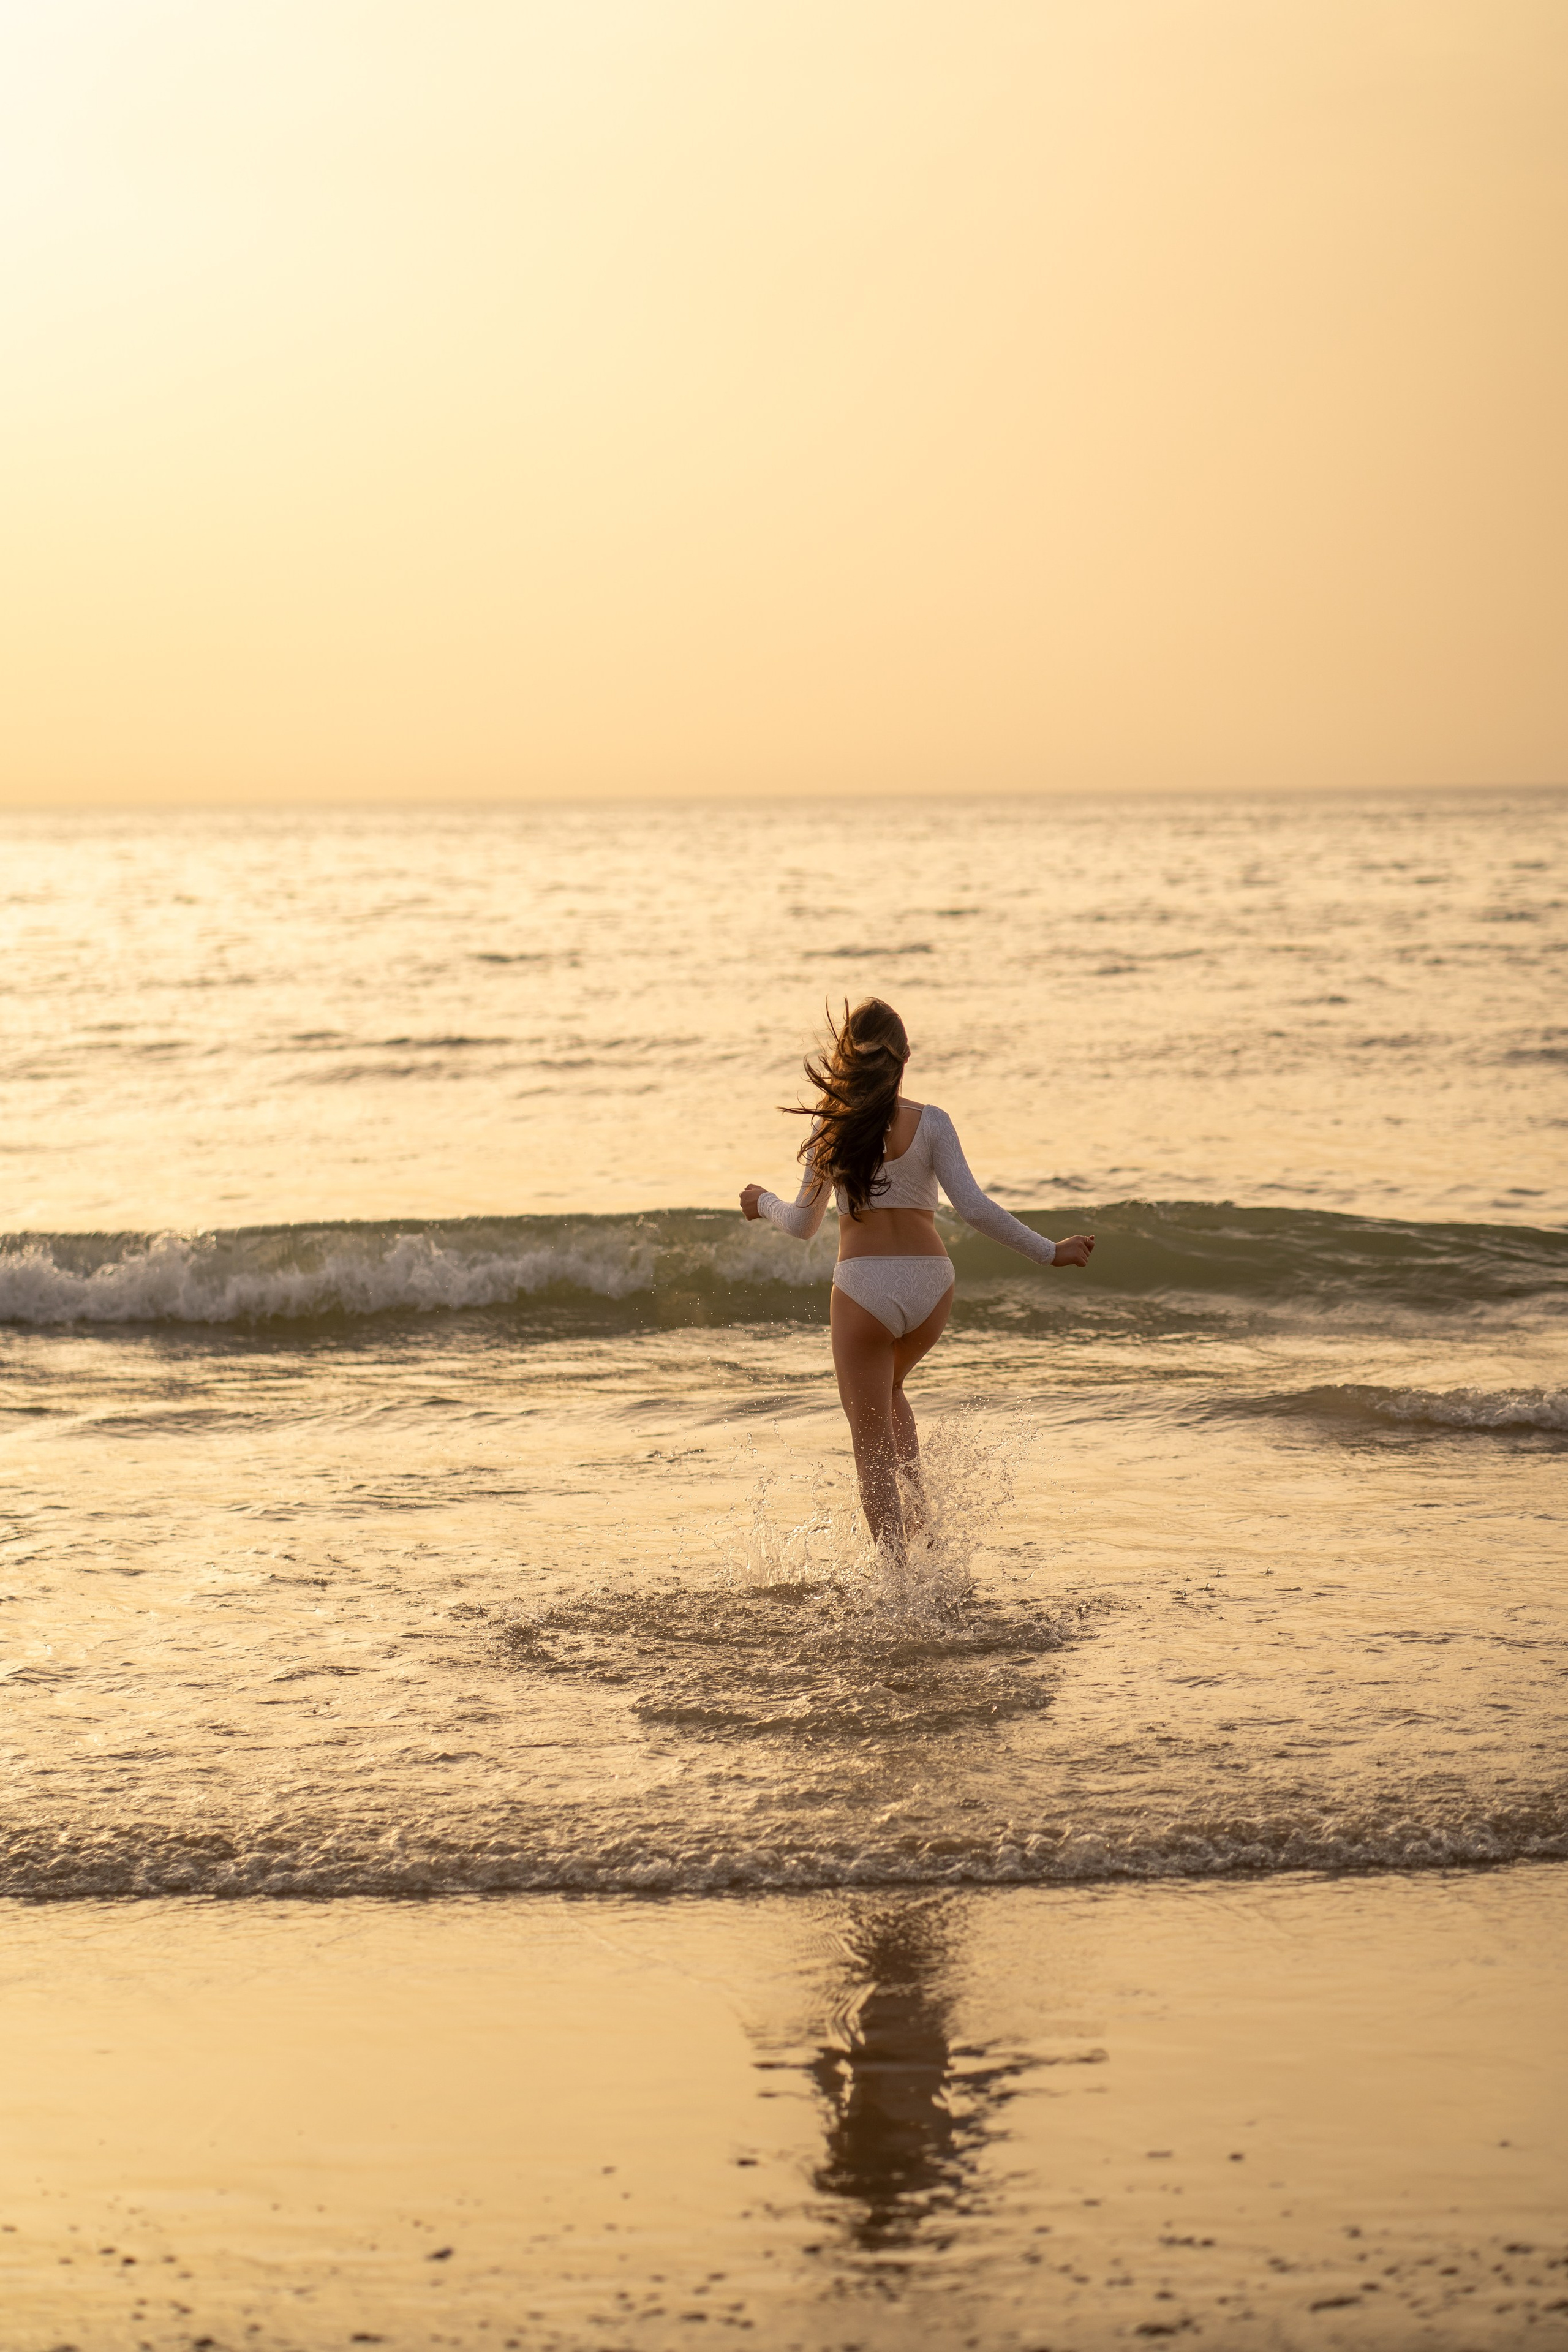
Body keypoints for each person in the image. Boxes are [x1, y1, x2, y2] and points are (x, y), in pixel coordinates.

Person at [740, 998, 1095, 1562]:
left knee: (868, 1444)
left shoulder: (829, 1127)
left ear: (844, 1062)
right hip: (933, 1288)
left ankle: (899, 1582)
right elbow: (974, 1209)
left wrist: (762, 1203)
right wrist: (1051, 1252)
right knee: (893, 1390)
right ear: (904, 1058)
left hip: (863, 1291)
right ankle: (927, 1539)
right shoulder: (932, 1121)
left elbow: (804, 1225)